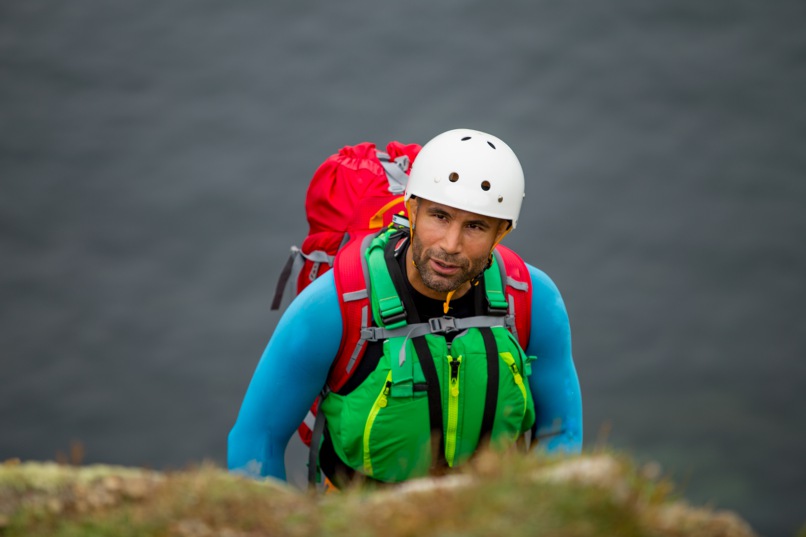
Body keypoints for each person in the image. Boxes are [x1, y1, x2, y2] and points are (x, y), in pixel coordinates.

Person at [228, 129, 582, 486]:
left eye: (475, 226)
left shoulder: (531, 298)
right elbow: (257, 439)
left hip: (489, 512)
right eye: (439, 216)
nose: (450, 245)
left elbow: (561, 431)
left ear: (501, 232)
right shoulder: (335, 305)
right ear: (412, 209)